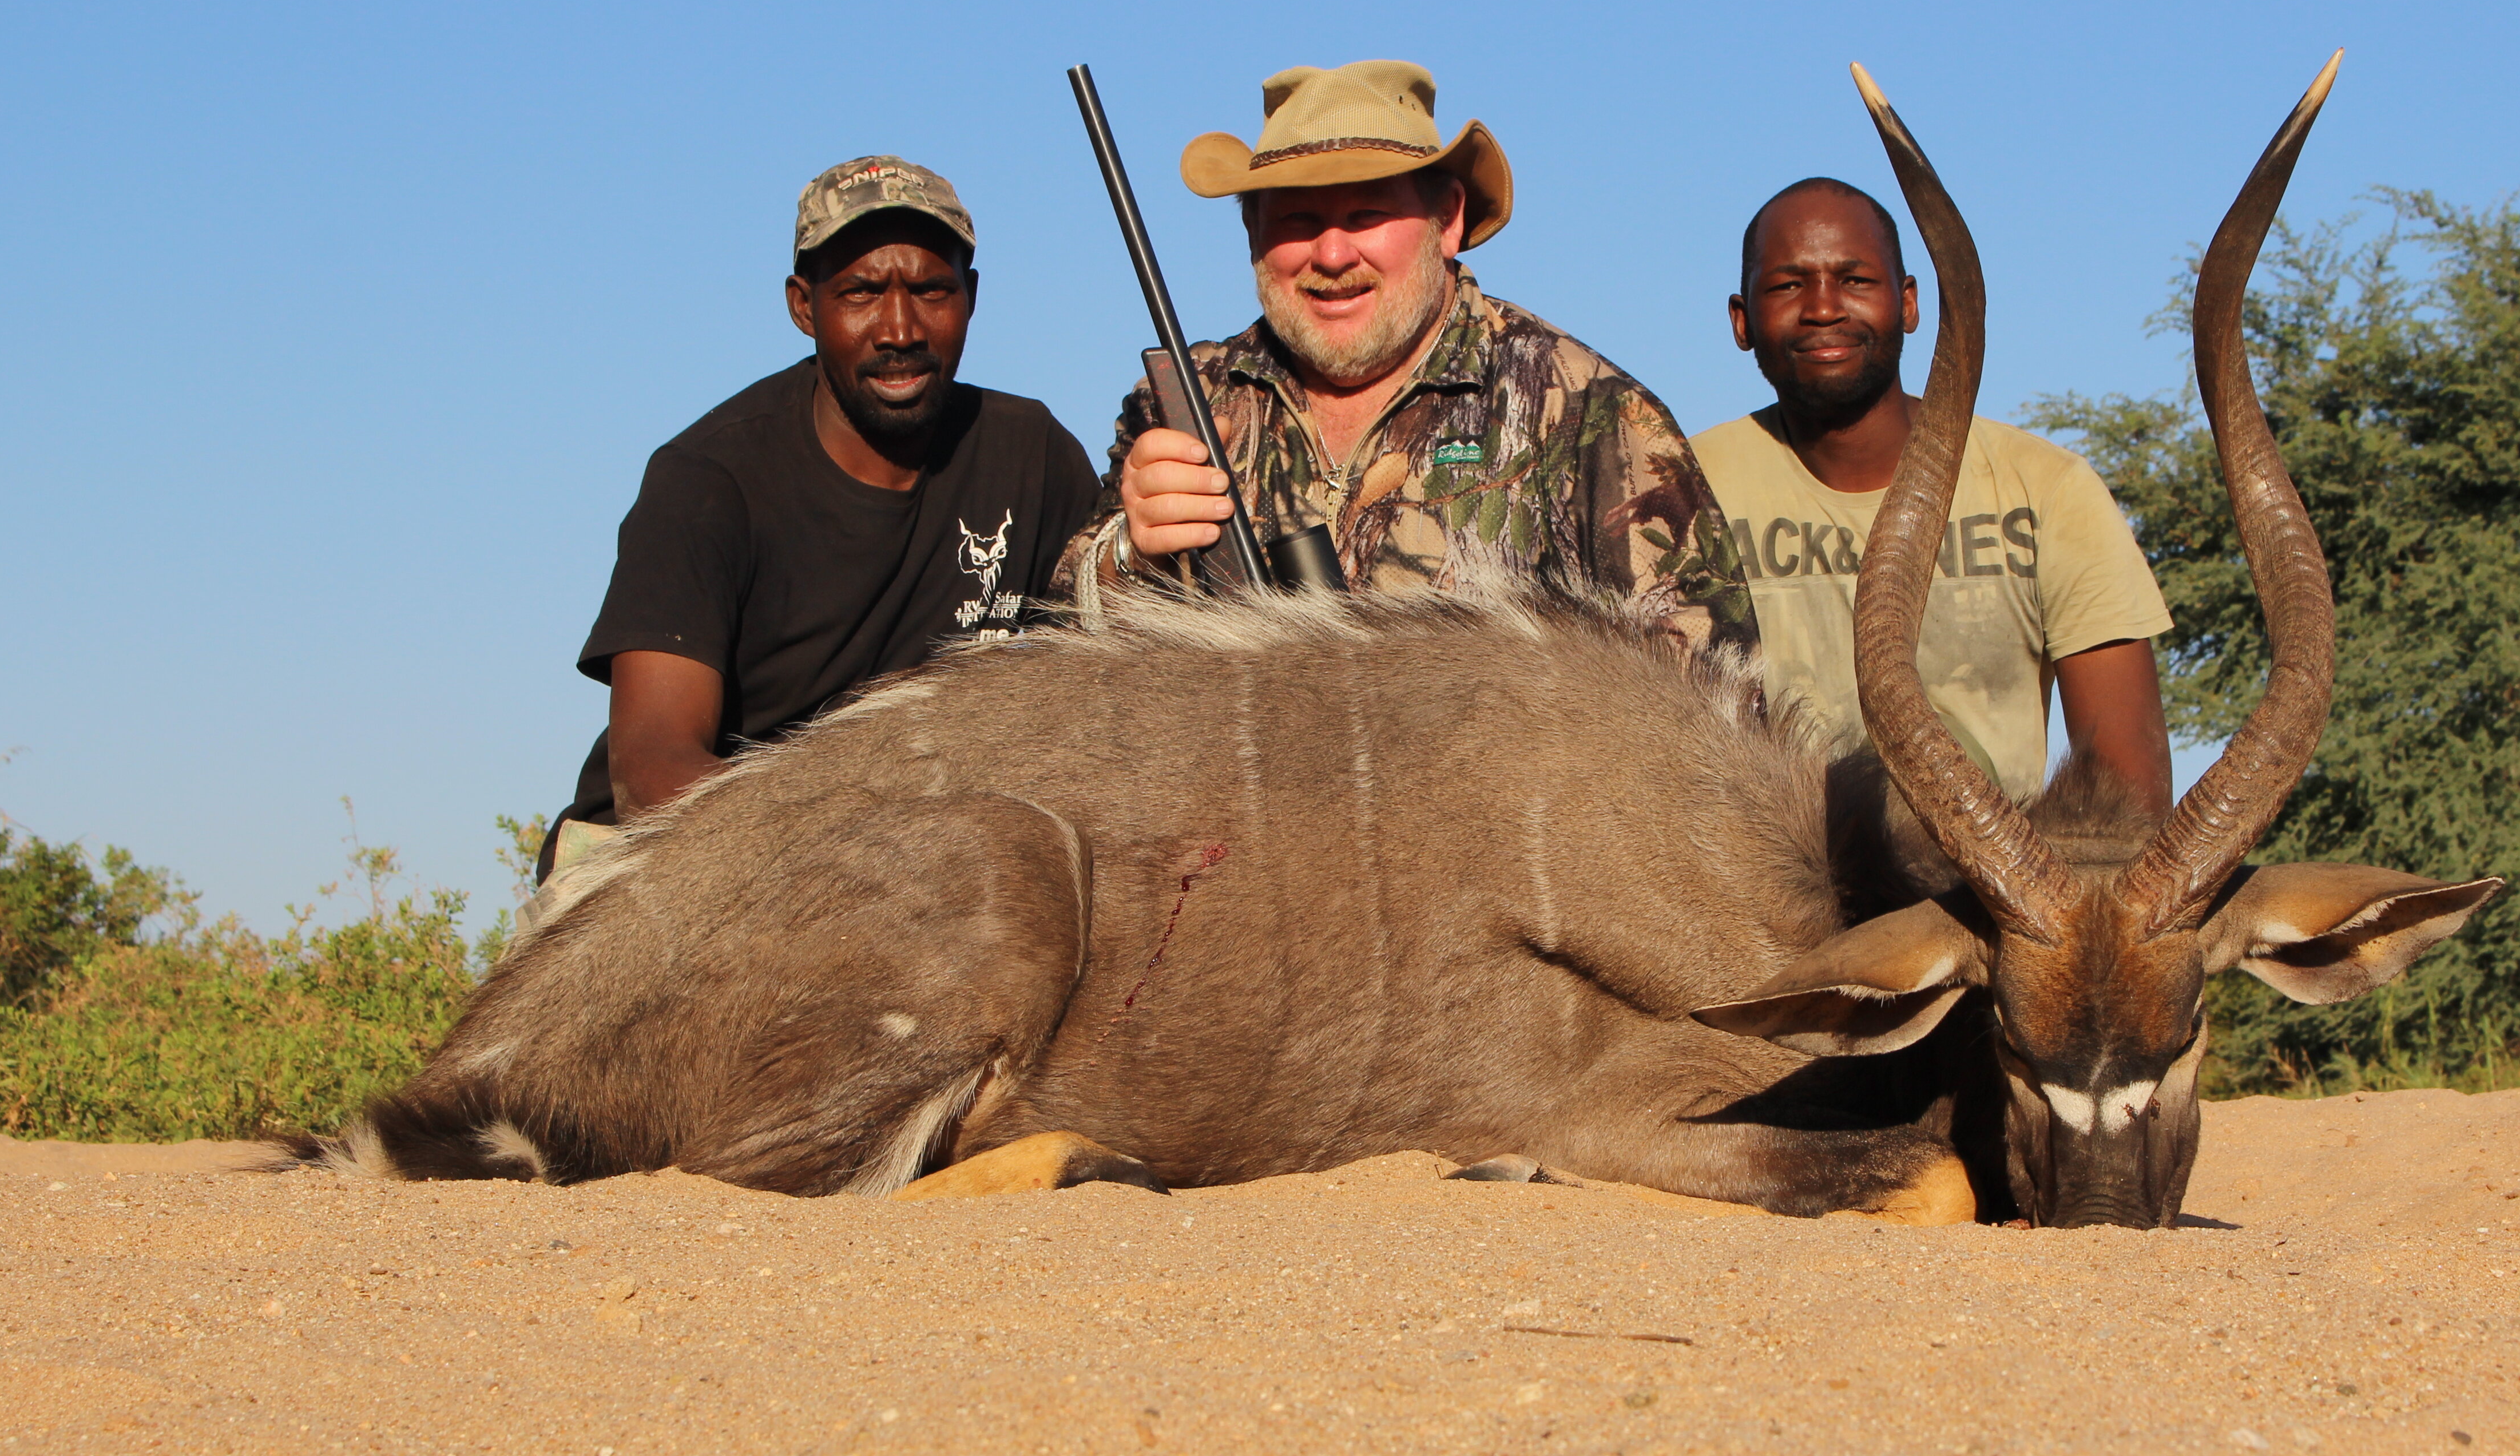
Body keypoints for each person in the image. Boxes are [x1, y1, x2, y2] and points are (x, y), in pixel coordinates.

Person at [541, 157, 1102, 882]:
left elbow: (1101, 670)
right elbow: (651, 773)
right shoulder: (708, 480)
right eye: (862, 292)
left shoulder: (1035, 454)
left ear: (973, 296)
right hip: (694, 858)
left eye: (933, 289)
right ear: (804, 306)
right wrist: (869, 848)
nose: (900, 328)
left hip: (940, 863)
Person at [1063, 60, 1753, 649]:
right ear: (1252, 228)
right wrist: (1127, 552)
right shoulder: (1185, 401)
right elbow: (1062, 630)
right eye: (1298, 219)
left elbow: (1710, 687)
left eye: (1367, 215)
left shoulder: (1587, 410)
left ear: (1447, 219)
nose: (1332, 255)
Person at [1690, 177, 2173, 803]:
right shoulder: (1684, 483)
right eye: (1787, 285)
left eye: (1856, 280)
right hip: (1765, 882)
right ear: (1742, 320)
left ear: (1910, 303)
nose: (1823, 308)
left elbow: (2128, 794)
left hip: (1992, 886)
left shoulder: (2048, 487)